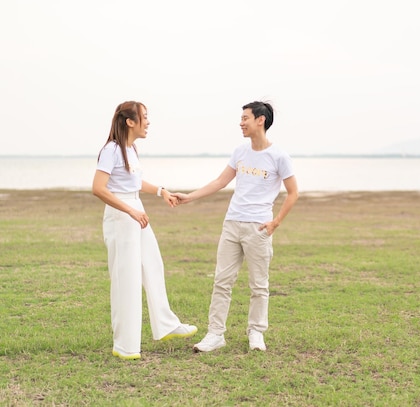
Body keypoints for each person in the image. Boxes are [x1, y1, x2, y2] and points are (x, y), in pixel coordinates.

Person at [173, 101, 298, 353]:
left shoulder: (279, 156)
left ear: (260, 120)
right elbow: (221, 181)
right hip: (232, 223)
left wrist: (276, 222)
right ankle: (215, 334)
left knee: (259, 285)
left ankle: (256, 333)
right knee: (222, 281)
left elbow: (293, 192)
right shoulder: (240, 151)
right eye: (241, 118)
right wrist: (190, 196)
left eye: (245, 118)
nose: (241, 123)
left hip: (259, 227)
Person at [92, 101, 197, 360]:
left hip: (135, 210)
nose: (148, 122)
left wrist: (162, 191)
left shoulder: (131, 149)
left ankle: (167, 324)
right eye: (145, 117)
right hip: (121, 215)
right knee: (126, 279)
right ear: (130, 121)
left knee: (153, 264)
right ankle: (125, 346)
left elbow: (135, 181)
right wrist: (129, 210)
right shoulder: (112, 150)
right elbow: (98, 188)